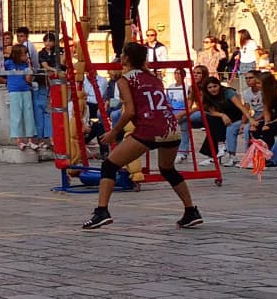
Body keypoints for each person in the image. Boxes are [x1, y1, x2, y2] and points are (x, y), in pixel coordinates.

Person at [83, 41, 203, 232]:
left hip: (150, 128)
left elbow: (130, 111)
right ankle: (191, 210)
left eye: (122, 53)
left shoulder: (125, 79)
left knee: (109, 165)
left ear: (126, 58)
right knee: (167, 169)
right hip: (170, 126)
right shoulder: (154, 78)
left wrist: (114, 132)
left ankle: (102, 211)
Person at [3, 42, 36, 150]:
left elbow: (28, 79)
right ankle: (19, 141)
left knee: (28, 115)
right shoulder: (8, 63)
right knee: (16, 116)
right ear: (17, 55)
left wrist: (30, 68)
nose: (26, 56)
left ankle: (30, 140)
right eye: (23, 55)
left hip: (26, 90)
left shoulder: (26, 64)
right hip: (14, 91)